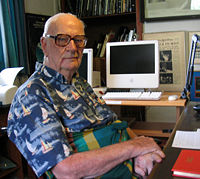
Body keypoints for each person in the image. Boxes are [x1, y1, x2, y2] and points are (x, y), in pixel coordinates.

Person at [7, 13, 165, 179]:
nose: (73, 48)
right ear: (44, 44)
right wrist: (135, 147)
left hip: (134, 166)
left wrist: (142, 153)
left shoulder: (79, 83)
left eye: (79, 40)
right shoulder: (31, 95)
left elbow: (115, 124)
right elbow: (65, 170)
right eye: (62, 39)